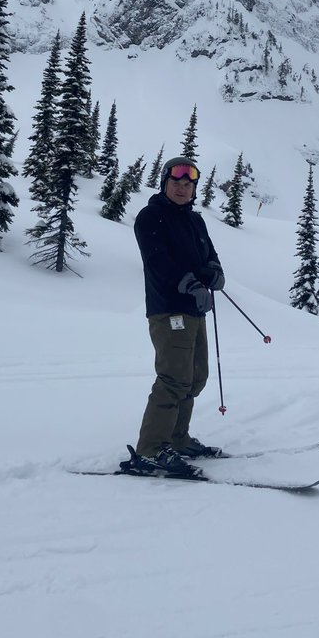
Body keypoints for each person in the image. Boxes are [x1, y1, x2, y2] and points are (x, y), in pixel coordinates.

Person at [124, 156, 226, 476]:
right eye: (176, 182)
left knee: (195, 377)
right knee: (173, 377)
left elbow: (209, 255)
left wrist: (215, 273)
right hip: (168, 309)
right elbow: (158, 262)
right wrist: (189, 283)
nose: (182, 188)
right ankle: (151, 449)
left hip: (195, 310)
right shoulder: (151, 216)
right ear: (164, 183)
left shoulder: (195, 221)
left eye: (188, 184)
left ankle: (177, 438)